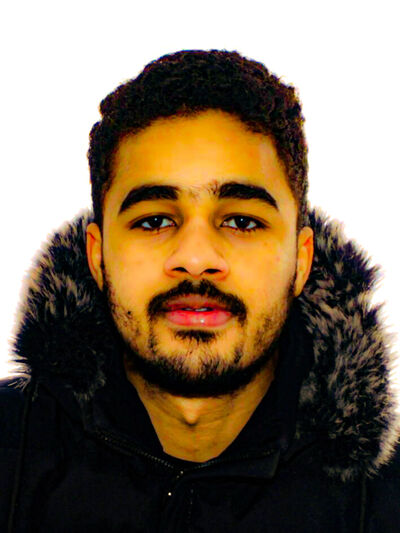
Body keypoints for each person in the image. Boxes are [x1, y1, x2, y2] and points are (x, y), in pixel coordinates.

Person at [1, 49, 399, 533]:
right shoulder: (10, 453)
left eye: (241, 221)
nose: (195, 257)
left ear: (301, 260)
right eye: (154, 221)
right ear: (97, 256)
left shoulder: (387, 496)